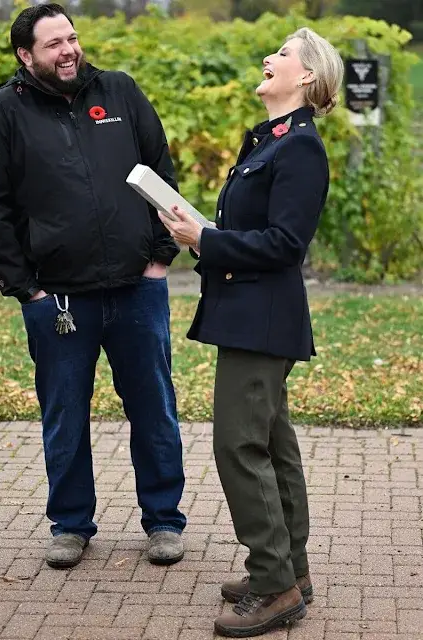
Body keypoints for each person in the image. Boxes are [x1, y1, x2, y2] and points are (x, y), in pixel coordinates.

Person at [0, 3, 186, 569]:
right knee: (64, 413)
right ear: (25, 55)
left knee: (154, 408)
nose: (69, 50)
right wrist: (28, 291)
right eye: (53, 44)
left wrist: (160, 260)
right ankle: (70, 524)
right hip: (59, 298)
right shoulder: (1, 114)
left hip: (138, 289)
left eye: (72, 38)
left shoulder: (118, 92)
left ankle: (164, 520)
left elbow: (161, 172)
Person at [159, 27, 344, 637]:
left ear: (308, 78)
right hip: (249, 314)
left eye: (283, 55)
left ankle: (273, 586)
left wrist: (205, 240)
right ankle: (290, 569)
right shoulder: (269, 141)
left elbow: (287, 244)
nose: (269, 59)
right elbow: (252, 230)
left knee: (239, 447)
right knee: (273, 445)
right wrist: (198, 232)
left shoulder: (299, 149)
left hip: (262, 318)